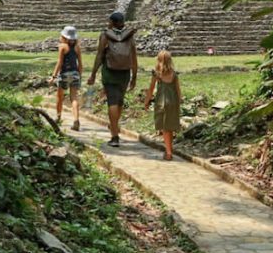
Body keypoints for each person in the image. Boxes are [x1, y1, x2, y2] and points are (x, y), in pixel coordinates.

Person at [87, 11, 137, 146]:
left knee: (112, 101)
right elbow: (134, 57)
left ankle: (114, 136)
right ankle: (114, 126)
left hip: (109, 72)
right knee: (119, 101)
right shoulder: (129, 35)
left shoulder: (105, 35)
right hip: (125, 73)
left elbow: (99, 56)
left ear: (112, 22)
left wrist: (93, 74)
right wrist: (134, 77)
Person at [144, 50, 181, 161]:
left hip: (162, 102)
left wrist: (146, 101)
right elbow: (178, 91)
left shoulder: (157, 74)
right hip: (173, 102)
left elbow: (151, 89)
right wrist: (179, 103)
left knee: (165, 129)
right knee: (169, 128)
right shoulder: (174, 74)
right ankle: (169, 149)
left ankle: (169, 152)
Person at [48, 25, 83, 131]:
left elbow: (60, 62)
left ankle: (58, 117)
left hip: (65, 74)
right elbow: (80, 64)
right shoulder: (77, 47)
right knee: (74, 98)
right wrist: (79, 76)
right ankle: (76, 120)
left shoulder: (62, 46)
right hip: (75, 74)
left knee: (60, 96)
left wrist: (53, 76)